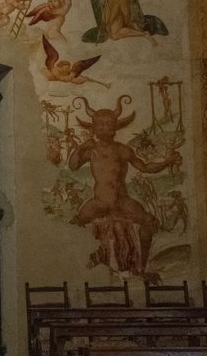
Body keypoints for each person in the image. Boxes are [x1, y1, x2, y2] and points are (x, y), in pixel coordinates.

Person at [68, 95, 177, 276]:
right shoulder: (91, 150)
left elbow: (145, 167)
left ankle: (141, 267)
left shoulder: (121, 149)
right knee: (75, 223)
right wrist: (80, 148)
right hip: (99, 202)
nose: (104, 128)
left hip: (121, 200)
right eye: (100, 124)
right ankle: (78, 271)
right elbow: (73, 166)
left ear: (115, 128)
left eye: (108, 124)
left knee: (148, 222)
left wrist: (168, 161)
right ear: (94, 128)